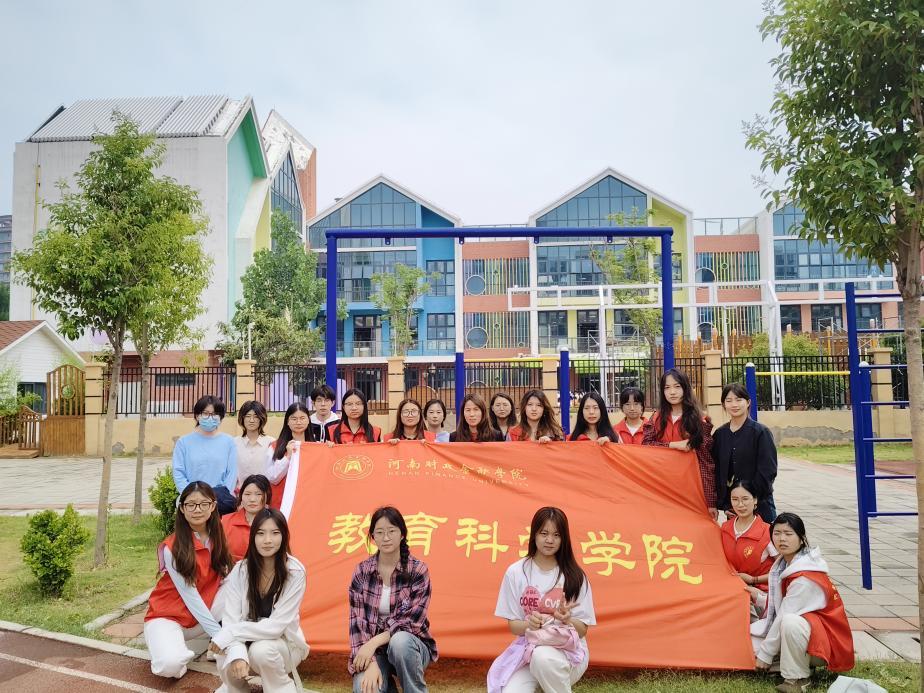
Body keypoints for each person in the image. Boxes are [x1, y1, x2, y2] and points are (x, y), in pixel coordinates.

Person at [489, 507, 595, 693]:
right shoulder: (516, 572)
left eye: (556, 535)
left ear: (564, 539)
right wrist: (529, 624)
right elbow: (514, 626)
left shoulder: (575, 577)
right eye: (544, 533)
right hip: (527, 650)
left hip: (568, 653)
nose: (550, 540)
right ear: (534, 535)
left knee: (542, 657)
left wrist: (567, 620)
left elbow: (582, 630)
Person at [751, 513, 854, 692]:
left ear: (801, 538)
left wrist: (765, 655)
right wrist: (759, 598)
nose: (782, 539)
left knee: (789, 622)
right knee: (746, 647)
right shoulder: (786, 563)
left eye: (788, 533)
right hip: (807, 634)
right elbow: (783, 602)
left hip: (824, 645)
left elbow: (784, 614)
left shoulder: (805, 578)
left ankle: (798, 678)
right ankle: (787, 663)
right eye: (777, 533)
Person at [211, 508, 309, 693]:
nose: (267, 540)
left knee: (261, 650)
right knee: (226, 653)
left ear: (284, 536)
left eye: (275, 533)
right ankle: (237, 689)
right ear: (253, 536)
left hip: (282, 646)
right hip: (245, 641)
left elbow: (276, 627)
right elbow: (231, 619)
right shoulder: (240, 570)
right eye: (261, 533)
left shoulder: (295, 572)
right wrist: (237, 653)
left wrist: (231, 633)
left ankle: (281, 687)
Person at [143, 481, 234, 679]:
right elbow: (191, 598)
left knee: (243, 577)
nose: (197, 509)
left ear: (213, 506)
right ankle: (170, 646)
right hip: (167, 617)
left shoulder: (218, 537)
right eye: (191, 504)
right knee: (170, 666)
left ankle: (238, 640)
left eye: (203, 504)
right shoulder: (172, 547)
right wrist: (219, 636)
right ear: (182, 509)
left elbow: (229, 578)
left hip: (196, 622)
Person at [349, 506, 437, 693]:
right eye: (380, 532)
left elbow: (410, 623)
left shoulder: (418, 570)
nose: (386, 538)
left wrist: (373, 642)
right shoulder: (362, 572)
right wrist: (371, 662)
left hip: (410, 646)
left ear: (402, 534)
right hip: (375, 652)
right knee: (365, 688)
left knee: (399, 642)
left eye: (391, 531)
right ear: (373, 537)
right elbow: (357, 624)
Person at [642, 369, 717, 516]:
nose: (672, 392)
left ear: (685, 388)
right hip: (661, 488)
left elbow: (706, 463)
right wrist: (673, 445)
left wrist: (711, 502)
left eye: (677, 386)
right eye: (667, 387)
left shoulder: (700, 420)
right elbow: (646, 447)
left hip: (690, 491)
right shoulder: (655, 418)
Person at [713, 383, 779, 523]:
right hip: (734, 507)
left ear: (748, 402)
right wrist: (725, 503)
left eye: (738, 400)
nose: (734, 404)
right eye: (729, 400)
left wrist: (751, 499)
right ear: (724, 405)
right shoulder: (719, 434)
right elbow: (717, 472)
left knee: (763, 537)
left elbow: (768, 471)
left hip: (760, 504)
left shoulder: (761, 432)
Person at [172, 395, 238, 515]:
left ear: (221, 417)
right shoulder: (184, 442)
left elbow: (232, 473)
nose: (210, 417)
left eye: (215, 414)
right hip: (192, 500)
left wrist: (220, 495)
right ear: (197, 415)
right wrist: (193, 495)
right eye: (206, 413)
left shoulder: (229, 442)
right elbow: (178, 472)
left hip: (220, 500)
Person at [720, 481, 776, 600]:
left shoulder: (767, 532)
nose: (740, 505)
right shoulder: (724, 528)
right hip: (730, 589)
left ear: (755, 500)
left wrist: (753, 580)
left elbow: (783, 569)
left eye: (745, 499)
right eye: (735, 499)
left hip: (760, 592)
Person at [266, 402, 314, 509]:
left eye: (302, 418)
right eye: (294, 419)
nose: (298, 422)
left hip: (308, 503)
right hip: (281, 504)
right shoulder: (274, 446)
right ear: (287, 421)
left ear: (308, 420)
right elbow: (272, 478)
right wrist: (287, 457)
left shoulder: (316, 446)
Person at [221, 474, 271, 562]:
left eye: (258, 494)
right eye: (247, 494)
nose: (252, 499)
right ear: (241, 496)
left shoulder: (275, 523)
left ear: (267, 496)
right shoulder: (225, 521)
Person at [235, 401, 273, 489]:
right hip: (239, 494)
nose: (251, 420)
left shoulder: (271, 443)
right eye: (248, 416)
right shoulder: (234, 443)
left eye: (256, 417)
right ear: (242, 418)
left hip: (264, 492)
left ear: (261, 419)